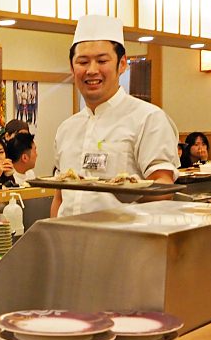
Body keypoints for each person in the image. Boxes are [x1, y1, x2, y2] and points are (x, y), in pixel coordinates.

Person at [51, 15, 179, 217]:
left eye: (102, 61)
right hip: (71, 242)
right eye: (83, 62)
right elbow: (60, 197)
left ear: (122, 64)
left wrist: (124, 199)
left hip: (123, 242)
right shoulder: (67, 128)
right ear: (72, 67)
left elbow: (163, 187)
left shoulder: (148, 118)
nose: (92, 70)